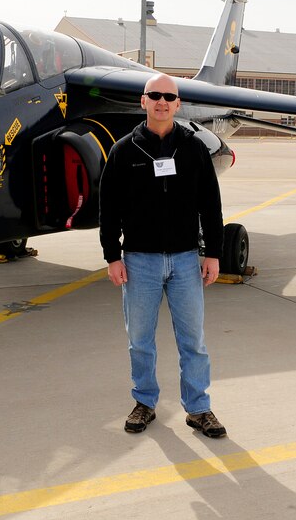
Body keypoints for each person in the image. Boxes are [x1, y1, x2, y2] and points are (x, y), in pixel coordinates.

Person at [99, 73, 227, 438]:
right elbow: (108, 209)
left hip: (186, 260)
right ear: (143, 101)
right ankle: (145, 402)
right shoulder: (124, 150)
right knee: (140, 341)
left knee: (193, 342)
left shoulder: (193, 148)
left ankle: (198, 409)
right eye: (154, 95)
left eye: (169, 97)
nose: (162, 102)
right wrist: (112, 256)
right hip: (139, 261)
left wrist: (213, 253)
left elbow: (211, 205)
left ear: (178, 104)